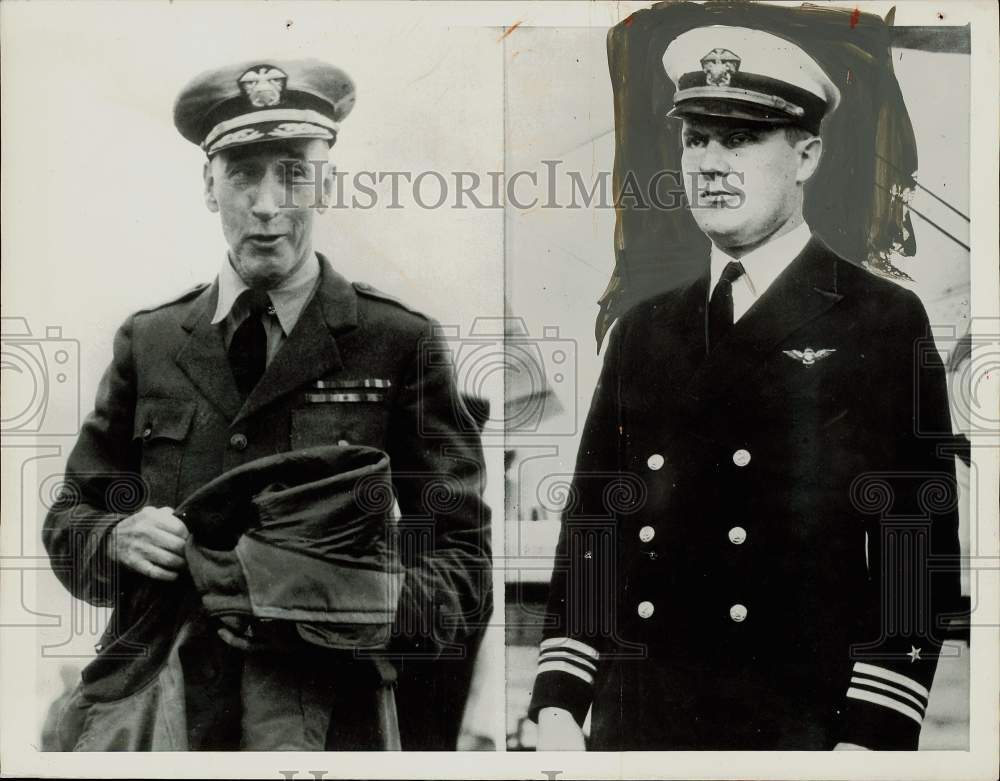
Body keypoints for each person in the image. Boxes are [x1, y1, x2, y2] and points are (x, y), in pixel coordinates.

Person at [529, 25, 961, 750]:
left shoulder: (879, 319)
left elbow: (915, 549)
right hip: (636, 729)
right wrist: (559, 706)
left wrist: (872, 736)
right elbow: (592, 532)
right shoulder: (645, 329)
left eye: (742, 139)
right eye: (696, 139)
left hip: (795, 729)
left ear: (807, 155)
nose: (712, 164)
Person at [43, 58, 491, 750]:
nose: (267, 202)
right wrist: (115, 537)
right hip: (168, 715)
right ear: (208, 184)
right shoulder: (151, 341)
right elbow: (71, 518)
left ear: (325, 184)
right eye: (244, 173)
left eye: (292, 172)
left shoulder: (398, 341)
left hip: (332, 724)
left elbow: (464, 563)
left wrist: (333, 598)